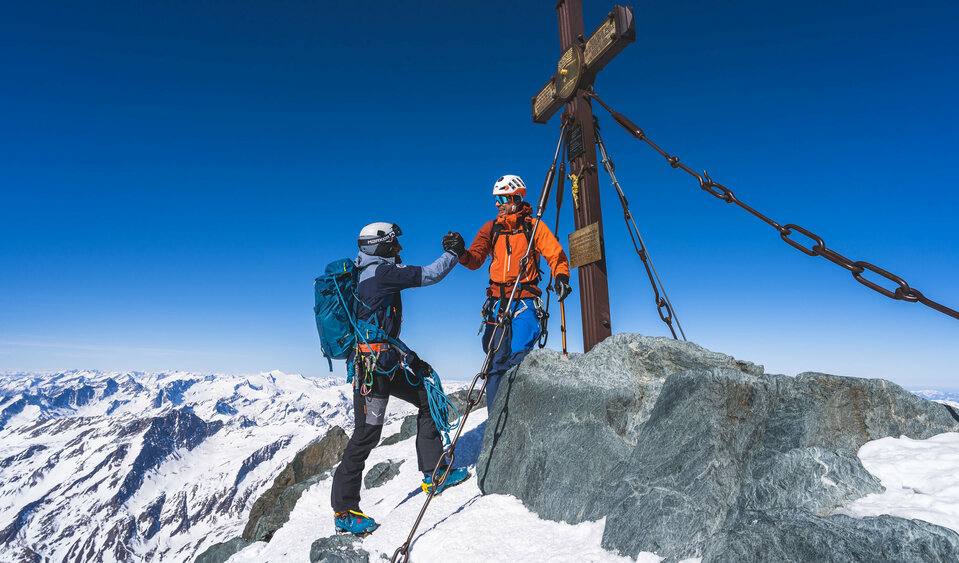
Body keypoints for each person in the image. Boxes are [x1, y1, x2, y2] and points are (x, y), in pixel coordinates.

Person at [331, 222, 470, 536]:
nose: (400, 250)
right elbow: (430, 274)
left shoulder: (365, 273)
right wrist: (452, 253)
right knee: (366, 434)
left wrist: (411, 360)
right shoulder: (381, 274)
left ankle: (434, 474)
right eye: (394, 245)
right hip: (373, 369)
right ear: (380, 246)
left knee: (425, 398)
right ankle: (344, 511)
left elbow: (378, 329)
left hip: (383, 363)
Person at [455, 174, 572, 410]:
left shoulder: (534, 227)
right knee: (496, 362)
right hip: (497, 302)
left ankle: (519, 417)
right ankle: (496, 421)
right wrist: (461, 252)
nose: (497, 204)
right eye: (496, 199)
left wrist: (561, 276)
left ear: (516, 197)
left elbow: (555, 254)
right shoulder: (491, 228)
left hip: (525, 300)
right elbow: (476, 258)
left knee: (519, 359)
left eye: (502, 198)